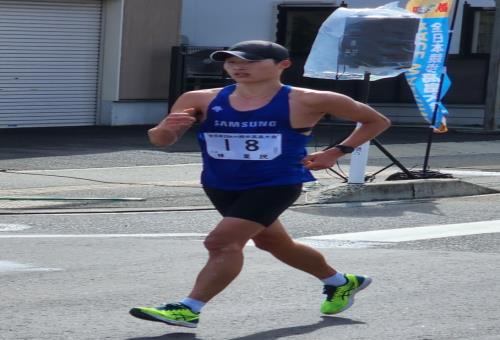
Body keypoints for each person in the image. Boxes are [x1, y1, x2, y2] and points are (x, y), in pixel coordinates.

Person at [129, 40, 391, 328]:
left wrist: (337, 151)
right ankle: (339, 281)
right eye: (230, 62)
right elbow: (161, 140)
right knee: (272, 242)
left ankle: (189, 308)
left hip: (276, 182)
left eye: (250, 61)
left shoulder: (310, 99)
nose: (238, 67)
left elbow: (375, 121)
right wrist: (164, 130)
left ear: (283, 64)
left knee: (222, 243)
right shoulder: (199, 98)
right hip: (220, 183)